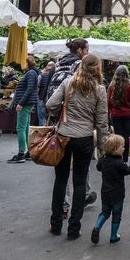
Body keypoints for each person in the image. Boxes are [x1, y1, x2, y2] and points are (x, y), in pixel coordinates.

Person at [46, 54, 109, 240]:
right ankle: (74, 228)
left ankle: (56, 224)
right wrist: (104, 146)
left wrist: (63, 108)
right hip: (84, 138)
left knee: (60, 180)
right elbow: (101, 121)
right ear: (97, 68)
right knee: (80, 182)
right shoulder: (100, 89)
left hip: (64, 135)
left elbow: (51, 104)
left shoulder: (68, 83)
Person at [91, 134, 130, 244]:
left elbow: (98, 167)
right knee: (116, 215)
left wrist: (102, 157)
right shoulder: (119, 163)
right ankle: (113, 236)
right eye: (122, 146)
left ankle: (97, 227)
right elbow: (129, 170)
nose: (124, 148)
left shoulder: (103, 161)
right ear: (115, 149)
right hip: (117, 194)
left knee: (105, 212)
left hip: (105, 193)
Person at [8, 55, 39, 163]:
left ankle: (21, 153)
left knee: (20, 128)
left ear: (27, 63)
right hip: (27, 103)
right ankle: (27, 153)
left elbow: (30, 89)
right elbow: (30, 88)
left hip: (25, 104)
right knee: (25, 127)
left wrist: (21, 103)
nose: (21, 65)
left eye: (22, 62)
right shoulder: (31, 73)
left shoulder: (30, 73)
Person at [107, 65, 130, 153]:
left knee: (118, 136)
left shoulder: (112, 86)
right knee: (126, 136)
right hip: (128, 115)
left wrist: (109, 113)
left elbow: (108, 102)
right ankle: (125, 158)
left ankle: (118, 155)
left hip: (115, 115)